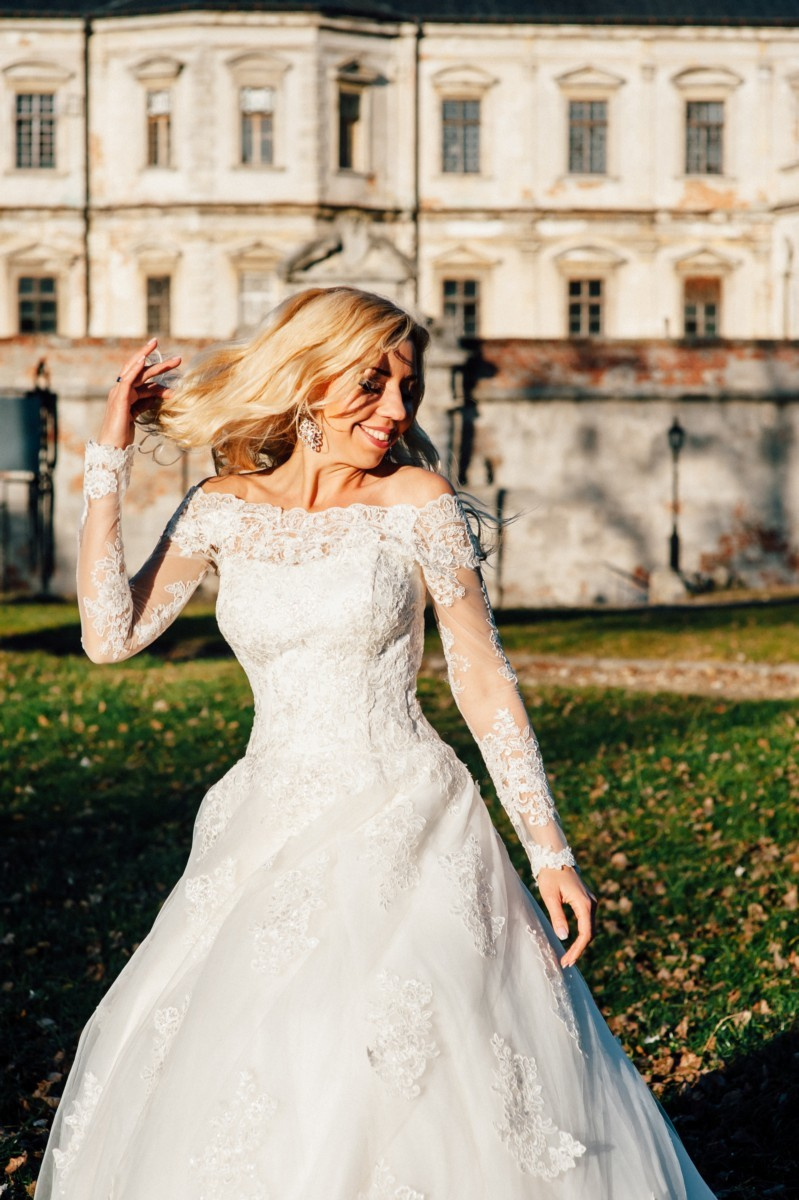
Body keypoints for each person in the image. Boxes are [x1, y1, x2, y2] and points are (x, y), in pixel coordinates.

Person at [37, 287, 716, 1199]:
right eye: (372, 382)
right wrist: (109, 460)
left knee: (411, 1053)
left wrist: (548, 848)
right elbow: (108, 636)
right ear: (309, 379)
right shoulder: (222, 508)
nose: (396, 409)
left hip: (409, 814)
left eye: (408, 386)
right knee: (262, 1053)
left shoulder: (417, 502)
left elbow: (481, 678)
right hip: (264, 818)